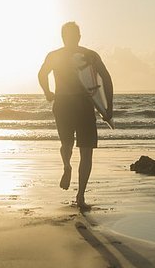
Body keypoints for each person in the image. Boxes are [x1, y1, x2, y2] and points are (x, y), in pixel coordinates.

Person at [38, 22, 113, 210]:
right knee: (83, 151)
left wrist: (48, 92)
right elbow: (106, 78)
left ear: (65, 37)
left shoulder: (57, 55)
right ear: (78, 36)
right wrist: (108, 108)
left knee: (70, 146)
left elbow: (41, 74)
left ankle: (71, 175)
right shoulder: (89, 55)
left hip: (66, 104)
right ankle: (78, 191)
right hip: (81, 105)